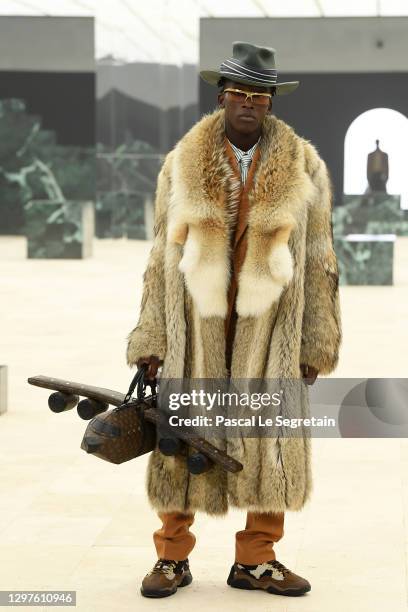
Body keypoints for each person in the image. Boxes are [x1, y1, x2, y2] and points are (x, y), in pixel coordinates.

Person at [126, 41, 342, 599]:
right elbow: (158, 257)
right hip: (193, 326)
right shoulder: (180, 163)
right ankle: (171, 557)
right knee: (179, 439)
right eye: (240, 93)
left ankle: (257, 559)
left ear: (271, 102)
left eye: (260, 95)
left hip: (271, 329)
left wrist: (316, 341)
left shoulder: (304, 167)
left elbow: (320, 260)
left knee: (268, 438)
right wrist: (151, 335)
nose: (249, 104)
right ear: (222, 97)